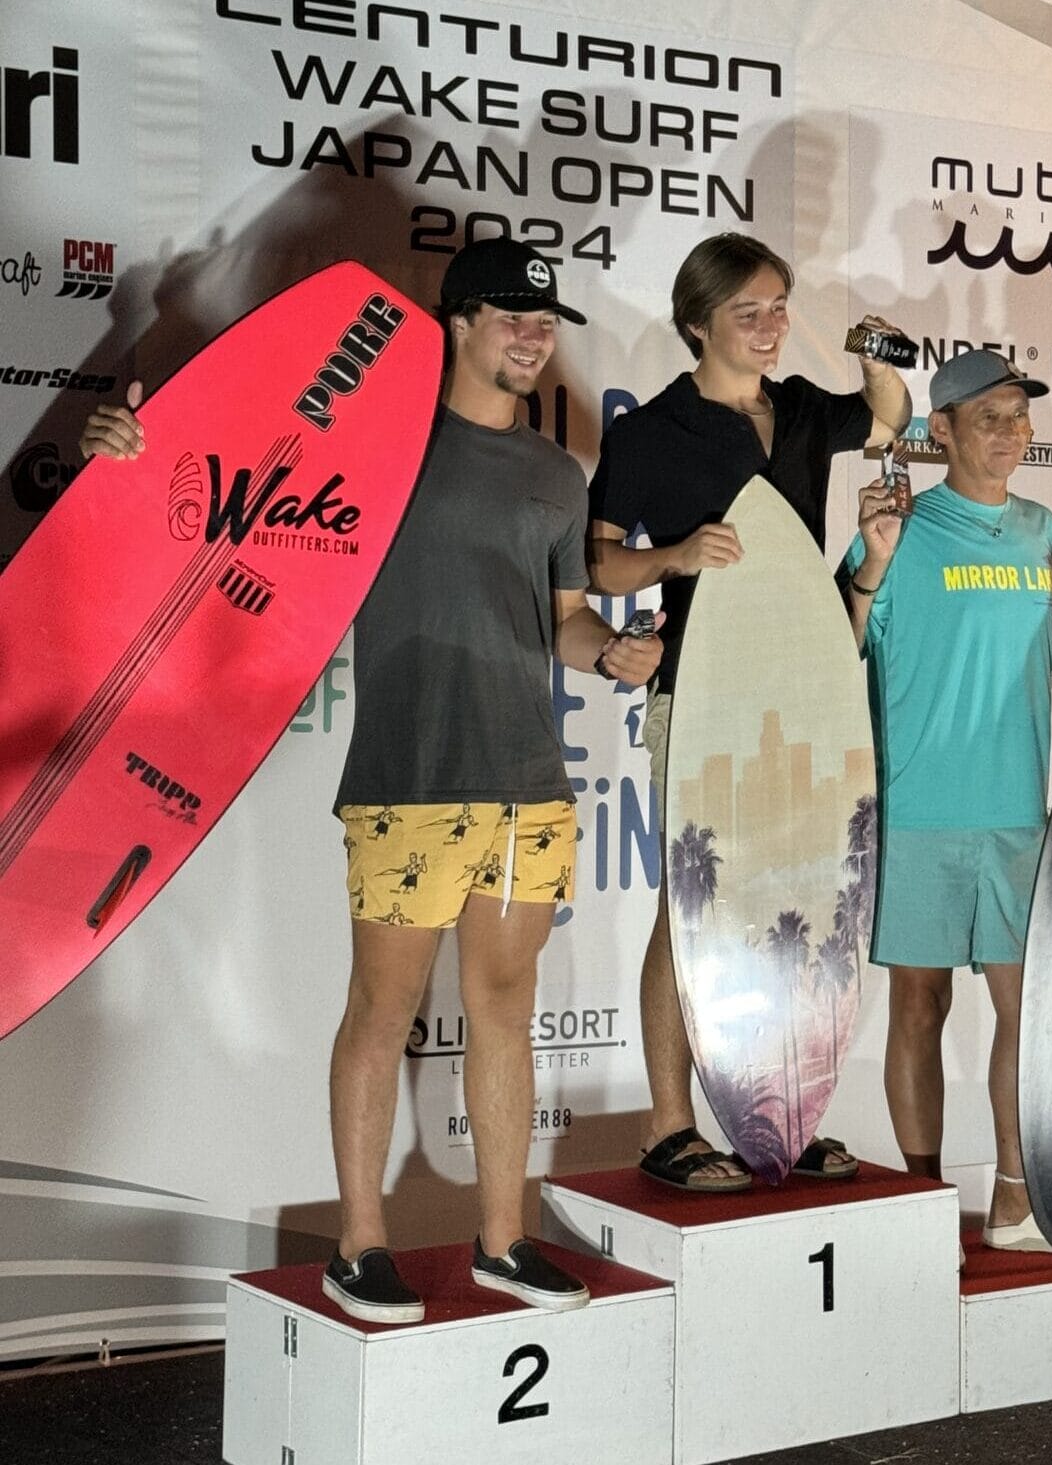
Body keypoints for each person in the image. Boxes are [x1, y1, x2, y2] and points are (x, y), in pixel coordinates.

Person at [80, 238, 664, 1319]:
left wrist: (616, 653)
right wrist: (130, 452)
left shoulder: (554, 471)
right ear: (457, 322)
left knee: (505, 1008)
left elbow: (569, 622)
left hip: (529, 788)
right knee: (381, 1012)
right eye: (513, 320)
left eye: (545, 326)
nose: (534, 340)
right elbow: (215, 508)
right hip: (407, 781)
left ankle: (503, 1240)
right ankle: (359, 1246)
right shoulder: (376, 439)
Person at [842, 347, 1052, 1250]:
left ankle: (1012, 1191)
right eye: (989, 417)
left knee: (1027, 1009)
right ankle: (920, 1203)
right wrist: (873, 561)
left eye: (1019, 416)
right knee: (918, 1008)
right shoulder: (900, 527)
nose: (1010, 433)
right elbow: (846, 636)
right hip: (917, 807)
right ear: (942, 430)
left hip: (1018, 815)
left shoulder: (1042, 530)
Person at [587, 231, 912, 1190]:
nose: (772, 327)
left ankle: (788, 1109)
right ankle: (670, 1123)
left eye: (779, 307)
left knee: (802, 896)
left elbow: (886, 422)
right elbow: (600, 563)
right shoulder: (651, 431)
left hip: (803, 689)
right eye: (749, 312)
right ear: (698, 323)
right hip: (702, 692)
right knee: (692, 905)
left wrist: (878, 363)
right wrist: (677, 556)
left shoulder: (803, 410)